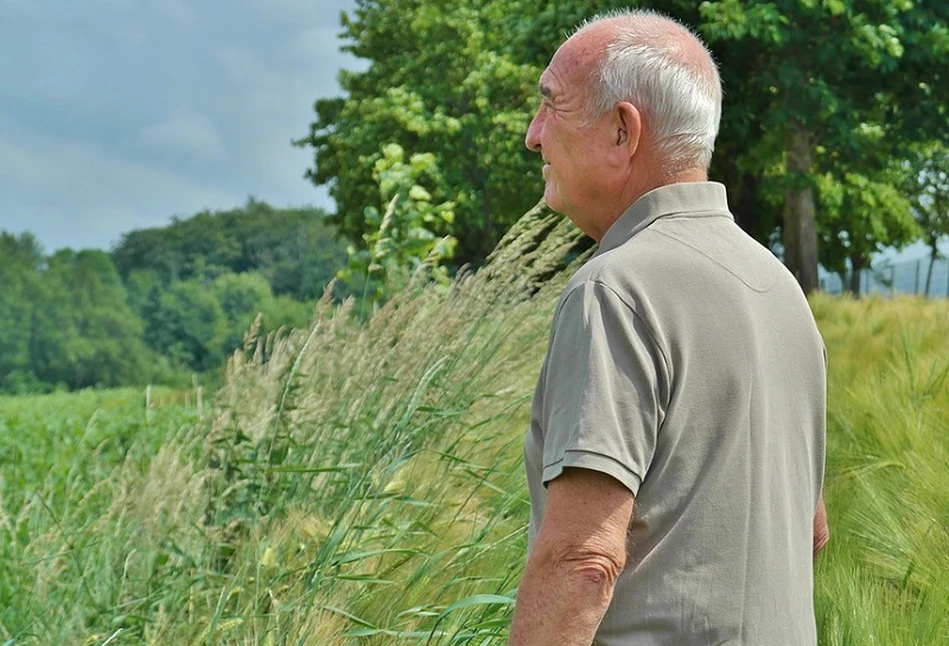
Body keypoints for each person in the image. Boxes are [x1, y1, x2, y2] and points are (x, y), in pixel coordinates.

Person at [509, 9, 829, 646]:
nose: (532, 135)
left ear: (622, 132)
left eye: (551, 106)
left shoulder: (615, 289)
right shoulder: (779, 287)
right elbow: (811, 531)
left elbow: (583, 562)